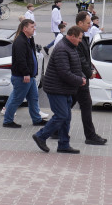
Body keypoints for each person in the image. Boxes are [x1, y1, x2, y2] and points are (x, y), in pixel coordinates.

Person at [32, 25, 88, 154]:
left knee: (66, 117)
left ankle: (63, 144)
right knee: (61, 115)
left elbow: (75, 67)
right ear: (72, 36)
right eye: (79, 38)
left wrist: (82, 76)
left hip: (65, 89)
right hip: (56, 89)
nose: (80, 41)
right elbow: (64, 72)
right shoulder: (62, 49)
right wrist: (79, 80)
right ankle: (41, 136)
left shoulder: (71, 47)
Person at [1, 19, 45, 128]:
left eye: (34, 27)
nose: (34, 29)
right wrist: (26, 73)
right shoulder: (20, 41)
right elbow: (21, 60)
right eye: (32, 27)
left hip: (30, 76)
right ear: (25, 29)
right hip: (22, 77)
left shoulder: (28, 39)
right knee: (17, 99)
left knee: (33, 98)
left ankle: (37, 119)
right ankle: (7, 121)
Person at [73, 11, 107, 145]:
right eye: (88, 23)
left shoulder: (83, 37)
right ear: (80, 23)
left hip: (79, 78)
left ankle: (54, 130)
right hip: (79, 79)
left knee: (68, 105)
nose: (90, 25)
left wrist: (90, 69)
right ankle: (90, 135)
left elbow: (85, 58)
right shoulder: (77, 38)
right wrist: (89, 73)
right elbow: (80, 59)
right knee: (86, 105)